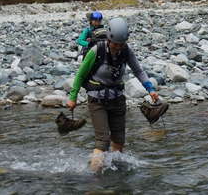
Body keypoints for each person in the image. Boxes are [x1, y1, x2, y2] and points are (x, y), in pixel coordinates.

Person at [67, 17, 159, 172]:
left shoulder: (126, 50)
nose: (118, 47)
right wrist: (73, 97)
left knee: (119, 140)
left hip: (117, 100)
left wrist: (150, 89)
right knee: (102, 141)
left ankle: (115, 177)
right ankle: (94, 179)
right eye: (116, 44)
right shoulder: (97, 50)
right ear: (109, 38)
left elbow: (138, 71)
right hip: (97, 101)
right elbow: (80, 75)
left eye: (121, 44)